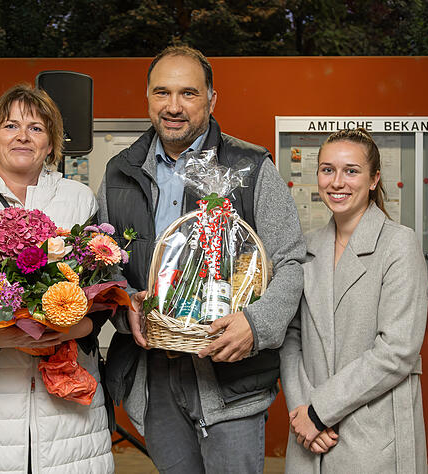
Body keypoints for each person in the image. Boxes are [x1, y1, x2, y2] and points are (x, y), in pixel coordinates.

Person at [99, 45, 306, 473]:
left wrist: (256, 323)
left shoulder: (250, 167)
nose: (173, 107)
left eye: (188, 93)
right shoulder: (120, 171)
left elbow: (290, 262)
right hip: (153, 373)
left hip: (231, 382)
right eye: (162, 93)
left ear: (212, 99)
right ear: (148, 99)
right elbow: (106, 264)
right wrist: (125, 306)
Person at [0, 84, 114, 474]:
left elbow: (104, 286)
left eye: (37, 128)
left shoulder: (79, 199)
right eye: (11, 125)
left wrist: (78, 327)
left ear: (51, 144)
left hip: (68, 415)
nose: (23, 136)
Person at [280, 128, 427, 472]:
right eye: (327, 169)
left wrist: (319, 411)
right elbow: (290, 337)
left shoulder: (399, 246)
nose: (337, 182)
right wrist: (303, 411)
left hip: (371, 433)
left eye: (351, 171)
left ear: (374, 179)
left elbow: (397, 351)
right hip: (309, 434)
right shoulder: (305, 247)